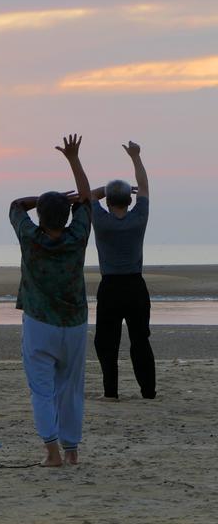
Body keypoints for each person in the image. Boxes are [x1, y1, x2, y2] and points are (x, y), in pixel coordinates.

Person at [9, 134, 92, 467]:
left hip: (39, 322)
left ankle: (53, 452)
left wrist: (43, 199)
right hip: (73, 323)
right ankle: (71, 451)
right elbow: (86, 201)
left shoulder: (30, 237)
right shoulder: (78, 235)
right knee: (70, 389)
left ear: (40, 216)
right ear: (66, 216)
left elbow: (16, 206)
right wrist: (73, 161)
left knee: (41, 390)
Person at [91, 141, 155, 400]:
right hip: (135, 287)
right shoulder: (138, 218)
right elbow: (146, 188)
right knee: (140, 340)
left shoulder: (101, 220)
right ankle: (148, 391)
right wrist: (136, 157)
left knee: (107, 343)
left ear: (109, 201)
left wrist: (106, 191)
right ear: (130, 199)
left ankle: (111, 392)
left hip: (110, 287)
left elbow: (90, 195)